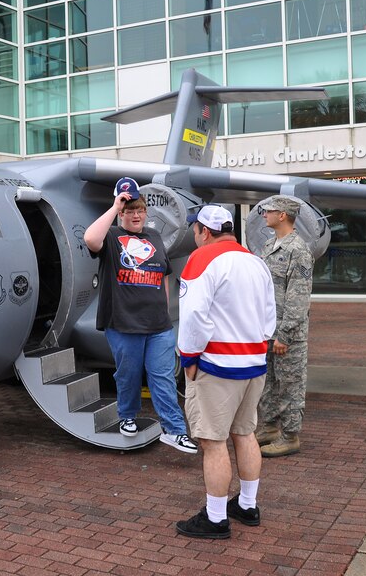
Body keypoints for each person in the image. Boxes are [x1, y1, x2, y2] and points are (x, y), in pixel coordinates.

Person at [175, 205, 276, 539]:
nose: (194, 235)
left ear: (205, 230)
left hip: (217, 365)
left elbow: (193, 318)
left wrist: (189, 357)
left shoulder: (201, 259)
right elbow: (268, 318)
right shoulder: (255, 261)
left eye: (195, 229)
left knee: (214, 442)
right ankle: (247, 504)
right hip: (253, 363)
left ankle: (216, 518)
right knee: (244, 433)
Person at [83, 177, 197, 454]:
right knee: (129, 374)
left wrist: (165, 312)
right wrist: (114, 205)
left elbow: (163, 277)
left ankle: (175, 430)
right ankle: (128, 415)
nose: (135, 215)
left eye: (140, 209)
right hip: (123, 322)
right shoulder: (111, 237)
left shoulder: (154, 237)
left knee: (163, 376)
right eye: (129, 209)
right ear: (120, 213)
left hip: (157, 324)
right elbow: (90, 238)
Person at [255, 196, 314, 458]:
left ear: (283, 215)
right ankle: (268, 427)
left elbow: (298, 298)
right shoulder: (269, 245)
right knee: (267, 383)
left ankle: (290, 436)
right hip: (267, 329)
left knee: (290, 385)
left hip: (286, 334)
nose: (263, 214)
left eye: (269, 210)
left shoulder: (298, 249)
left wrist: (285, 336)